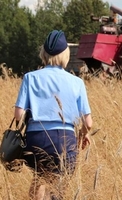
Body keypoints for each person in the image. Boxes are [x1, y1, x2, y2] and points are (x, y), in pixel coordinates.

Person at [14, 30, 93, 199]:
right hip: (67, 140)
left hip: (36, 138)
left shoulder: (30, 77)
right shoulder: (77, 82)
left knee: (40, 177)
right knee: (59, 186)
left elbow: (18, 115)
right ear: (66, 54)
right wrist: (83, 134)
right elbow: (88, 123)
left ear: (43, 53)